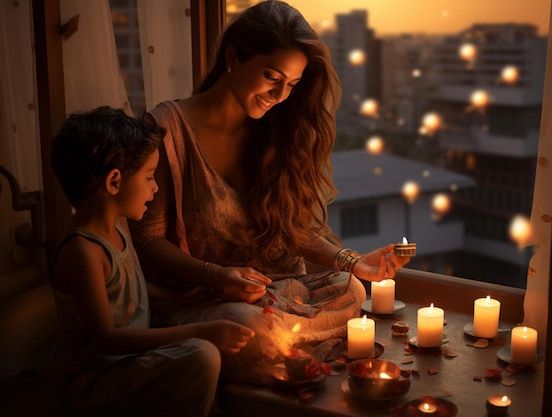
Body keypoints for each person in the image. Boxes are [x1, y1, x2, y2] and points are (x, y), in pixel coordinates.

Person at [129, 0, 409, 385]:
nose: (280, 94)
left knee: (349, 289)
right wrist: (215, 277)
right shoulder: (167, 130)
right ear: (233, 57)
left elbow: (294, 229)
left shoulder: (275, 130)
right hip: (201, 300)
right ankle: (283, 345)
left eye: (292, 85)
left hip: (274, 290)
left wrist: (352, 262)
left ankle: (284, 345)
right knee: (252, 329)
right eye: (271, 76)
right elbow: (147, 240)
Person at [49, 106, 255, 416]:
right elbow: (106, 338)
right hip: (95, 379)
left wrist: (194, 293)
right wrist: (201, 331)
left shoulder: (118, 227)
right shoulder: (84, 251)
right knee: (201, 355)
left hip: (129, 362)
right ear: (114, 182)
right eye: (149, 177)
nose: (155, 187)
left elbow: (126, 293)